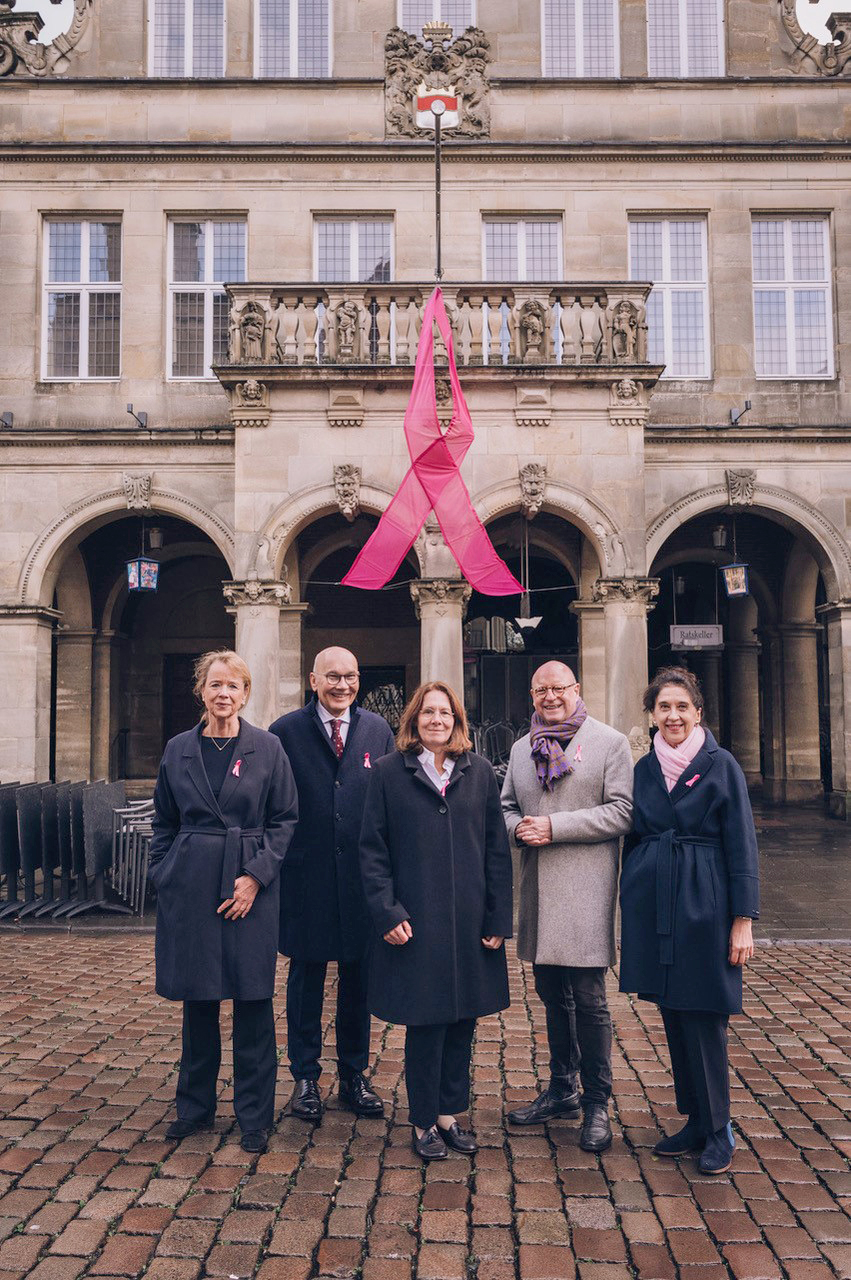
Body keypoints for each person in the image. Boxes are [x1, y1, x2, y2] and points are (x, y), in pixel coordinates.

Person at [149, 650, 298, 1154]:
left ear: (245, 693)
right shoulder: (178, 749)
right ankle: (194, 1108)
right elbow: (164, 820)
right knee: (199, 1001)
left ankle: (254, 1115)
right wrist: (164, 871)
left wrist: (255, 877)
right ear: (202, 691)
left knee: (253, 1001)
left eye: (233, 685)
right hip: (191, 887)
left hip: (250, 887)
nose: (224, 694)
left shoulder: (268, 747)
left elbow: (285, 820)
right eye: (215, 684)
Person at [360, 681, 513, 1161]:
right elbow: (372, 851)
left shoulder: (480, 772)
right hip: (416, 921)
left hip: (469, 921)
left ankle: (449, 1114)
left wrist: (497, 917)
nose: (437, 720)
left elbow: (496, 849)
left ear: (457, 721)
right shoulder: (388, 773)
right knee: (426, 1023)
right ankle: (423, 1120)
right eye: (428, 712)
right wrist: (387, 912)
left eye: (445, 713)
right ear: (414, 719)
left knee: (462, 1020)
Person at [619, 666, 759, 1175]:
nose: (673, 715)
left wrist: (743, 919)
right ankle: (696, 1120)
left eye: (682, 706)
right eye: (664, 707)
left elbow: (742, 843)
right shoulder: (644, 769)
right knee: (674, 1012)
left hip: (707, 901)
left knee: (705, 1014)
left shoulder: (721, 766)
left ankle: (720, 1128)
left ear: (698, 713)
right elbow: (635, 834)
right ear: (652, 715)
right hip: (657, 904)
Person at [501, 661, 633, 1152]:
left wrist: (555, 827)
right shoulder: (521, 748)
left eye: (559, 688)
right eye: (542, 690)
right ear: (532, 695)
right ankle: (562, 1089)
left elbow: (622, 811)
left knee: (590, 1000)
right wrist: (517, 828)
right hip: (538, 890)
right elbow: (506, 805)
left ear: (576, 689)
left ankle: (597, 1101)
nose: (551, 696)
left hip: (585, 891)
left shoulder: (609, 742)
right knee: (552, 995)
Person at [268, 647, 395, 1122]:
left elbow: (386, 805)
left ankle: (353, 1076)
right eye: (333, 677)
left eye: (351, 676)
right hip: (306, 877)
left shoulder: (378, 730)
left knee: (358, 981)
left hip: (361, 879)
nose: (343, 685)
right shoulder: (284, 731)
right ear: (313, 680)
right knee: (306, 981)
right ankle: (304, 1077)